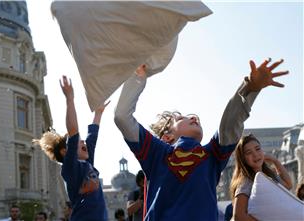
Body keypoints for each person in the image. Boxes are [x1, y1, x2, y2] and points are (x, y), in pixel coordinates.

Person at [114, 58, 288, 220]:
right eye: (182, 118)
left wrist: (250, 88)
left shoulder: (211, 154)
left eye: (195, 117)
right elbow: (122, 117)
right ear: (167, 137)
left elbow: (230, 123)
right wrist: (137, 77)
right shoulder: (156, 154)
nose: (194, 118)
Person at [33, 75, 109, 221]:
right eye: (79, 143)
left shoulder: (88, 164)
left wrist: (98, 113)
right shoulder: (70, 169)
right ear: (65, 152)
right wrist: (69, 99)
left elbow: (92, 137)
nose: (84, 143)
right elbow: (74, 131)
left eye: (82, 142)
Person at [230, 134, 293, 221]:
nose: (255, 155)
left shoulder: (268, 175)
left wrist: (275, 161)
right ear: (243, 159)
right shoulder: (246, 181)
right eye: (249, 153)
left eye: (257, 149)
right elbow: (239, 216)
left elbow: (288, 185)